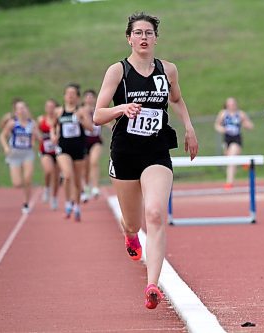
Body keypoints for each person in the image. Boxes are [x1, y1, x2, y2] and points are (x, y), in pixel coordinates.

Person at [93, 12, 198, 309]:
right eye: (138, 33)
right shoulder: (118, 71)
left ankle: (152, 284)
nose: (143, 38)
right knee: (133, 222)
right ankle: (130, 236)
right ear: (129, 38)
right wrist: (121, 109)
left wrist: (189, 127)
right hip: (125, 153)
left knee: (154, 214)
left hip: (156, 152)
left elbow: (176, 99)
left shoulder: (168, 70)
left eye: (148, 33)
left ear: (155, 38)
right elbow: (97, 115)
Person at [52, 83, 93, 221]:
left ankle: (76, 206)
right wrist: (53, 135)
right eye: (67, 93)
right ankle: (68, 202)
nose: (70, 96)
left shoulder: (81, 111)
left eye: (73, 93)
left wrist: (80, 120)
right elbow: (53, 126)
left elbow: (91, 128)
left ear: (77, 97)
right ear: (64, 96)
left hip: (79, 147)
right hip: (63, 147)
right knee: (67, 175)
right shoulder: (59, 111)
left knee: (76, 179)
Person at [0, 98, 37, 213]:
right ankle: (24, 186)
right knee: (17, 183)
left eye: (24, 107)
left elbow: (37, 137)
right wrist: (6, 147)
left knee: (28, 179)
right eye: (19, 108)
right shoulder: (12, 123)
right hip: (15, 153)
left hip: (27, 153)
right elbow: (2, 136)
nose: (22, 110)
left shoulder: (32, 123)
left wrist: (35, 139)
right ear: (16, 111)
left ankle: (26, 204)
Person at [214, 97, 254, 189]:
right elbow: (216, 125)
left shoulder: (240, 114)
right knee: (229, 159)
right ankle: (243, 162)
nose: (231, 106)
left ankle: (229, 182)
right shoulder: (223, 114)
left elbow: (250, 125)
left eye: (233, 104)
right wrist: (222, 129)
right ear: (226, 105)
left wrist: (246, 125)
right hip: (227, 139)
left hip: (236, 139)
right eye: (229, 104)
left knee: (232, 157)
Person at [37, 98, 60, 210]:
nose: (50, 109)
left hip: (57, 151)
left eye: (52, 107)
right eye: (48, 107)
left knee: (56, 177)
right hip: (45, 151)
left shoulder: (59, 119)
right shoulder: (41, 119)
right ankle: (46, 188)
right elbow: (36, 132)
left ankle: (54, 197)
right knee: (48, 170)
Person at [82, 89, 103, 201]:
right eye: (87, 96)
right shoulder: (80, 111)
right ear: (84, 99)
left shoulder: (98, 110)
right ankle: (86, 189)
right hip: (84, 141)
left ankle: (95, 187)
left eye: (91, 96)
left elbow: (107, 121)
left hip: (96, 140)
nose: (89, 98)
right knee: (85, 168)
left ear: (95, 99)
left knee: (94, 162)